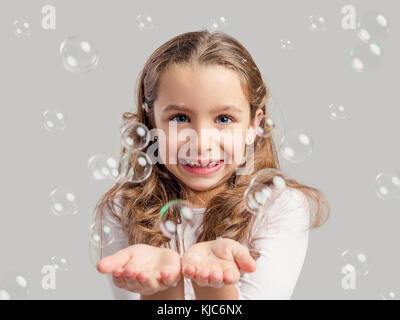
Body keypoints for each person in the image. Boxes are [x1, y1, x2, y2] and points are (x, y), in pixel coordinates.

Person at [93, 30, 330, 300]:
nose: (202, 143)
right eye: (180, 118)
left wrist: (215, 289)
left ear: (255, 125)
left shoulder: (278, 205)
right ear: (151, 124)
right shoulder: (122, 209)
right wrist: (162, 288)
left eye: (224, 119)